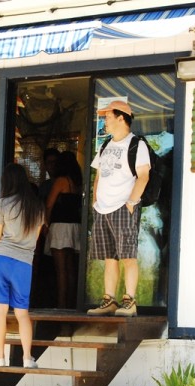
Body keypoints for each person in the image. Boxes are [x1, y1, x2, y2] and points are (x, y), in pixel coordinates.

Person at [87, 100, 150, 317]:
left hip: (123, 206)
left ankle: (129, 301)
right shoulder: (105, 145)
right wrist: (95, 202)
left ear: (121, 118)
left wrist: (131, 203)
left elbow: (144, 176)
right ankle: (109, 300)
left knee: (128, 256)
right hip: (102, 208)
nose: (105, 121)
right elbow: (98, 176)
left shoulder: (136, 145)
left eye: (108, 117)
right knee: (109, 258)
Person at [0, 163, 45, 368]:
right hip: (24, 263)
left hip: (0, 259)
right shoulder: (37, 207)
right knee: (22, 313)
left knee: (0, 311)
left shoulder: (2, 204)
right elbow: (35, 239)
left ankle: (0, 357)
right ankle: (27, 358)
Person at [45, 151, 83, 309]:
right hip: (75, 226)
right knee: (71, 269)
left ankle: (61, 306)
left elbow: (49, 204)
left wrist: (46, 224)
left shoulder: (61, 181)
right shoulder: (77, 183)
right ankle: (72, 304)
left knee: (61, 270)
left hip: (60, 227)